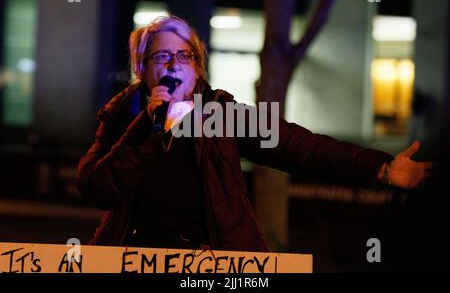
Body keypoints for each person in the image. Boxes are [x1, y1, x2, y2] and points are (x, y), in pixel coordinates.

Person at [76, 15, 432, 252]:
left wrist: (381, 168)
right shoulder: (124, 116)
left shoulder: (223, 115)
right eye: (162, 57)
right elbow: (97, 187)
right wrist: (147, 127)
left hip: (210, 261)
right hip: (135, 255)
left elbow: (302, 147)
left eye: (184, 56)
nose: (173, 65)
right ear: (142, 69)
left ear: (198, 66)